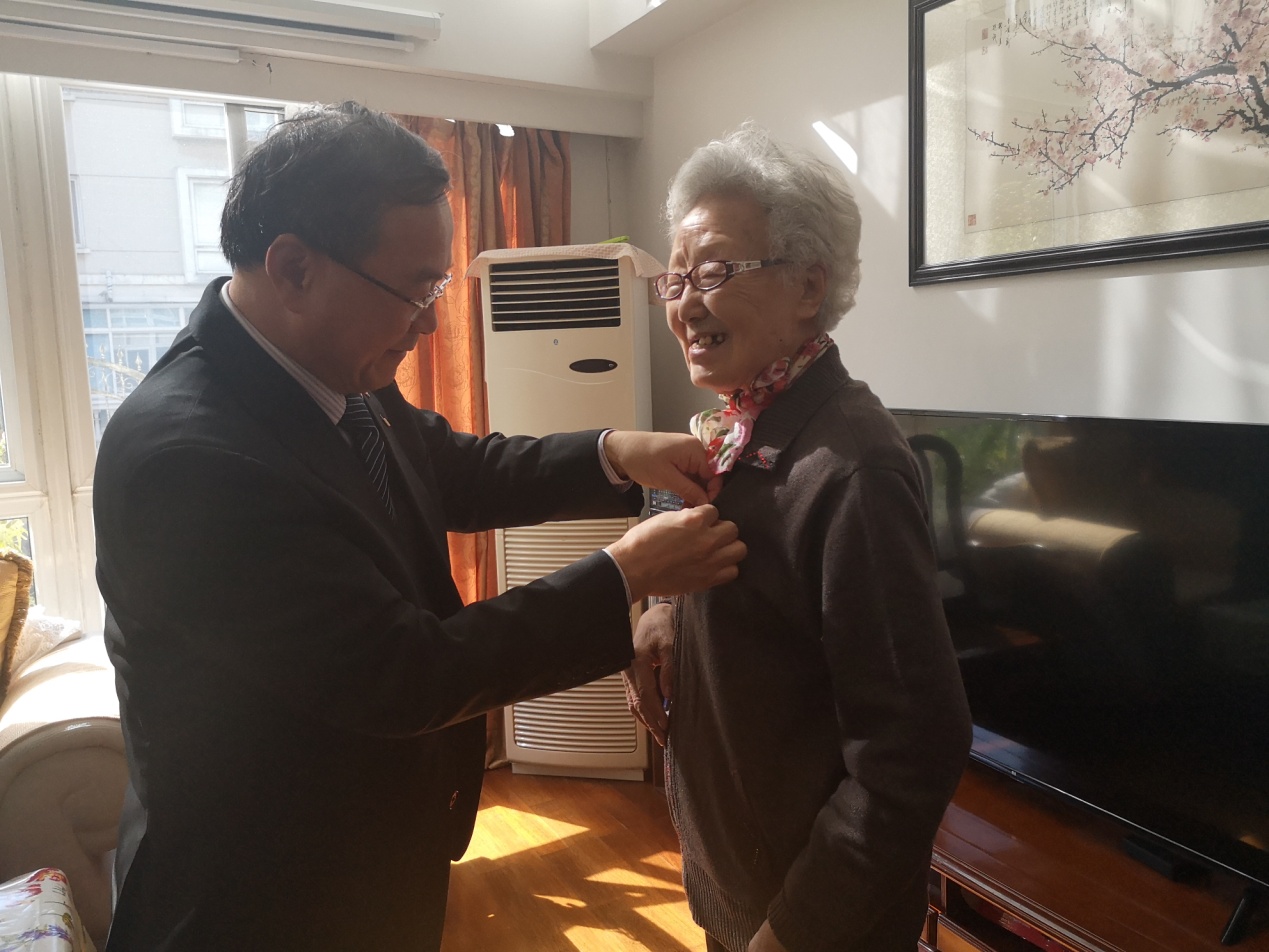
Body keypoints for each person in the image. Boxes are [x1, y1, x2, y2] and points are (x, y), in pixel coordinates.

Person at [93, 101, 746, 951]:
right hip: (264, 897)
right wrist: (625, 576)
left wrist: (613, 453)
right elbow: (402, 673)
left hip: (372, 858)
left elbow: (448, 469)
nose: (431, 322)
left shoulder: (328, 366)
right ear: (293, 268)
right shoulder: (189, 458)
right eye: (414, 290)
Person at [623, 124, 972, 952]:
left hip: (810, 918)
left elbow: (911, 748)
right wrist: (662, 614)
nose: (684, 304)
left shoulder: (850, 468)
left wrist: (795, 931)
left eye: (714, 272)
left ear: (808, 286)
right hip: (738, 882)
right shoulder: (738, 428)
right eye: (677, 277)